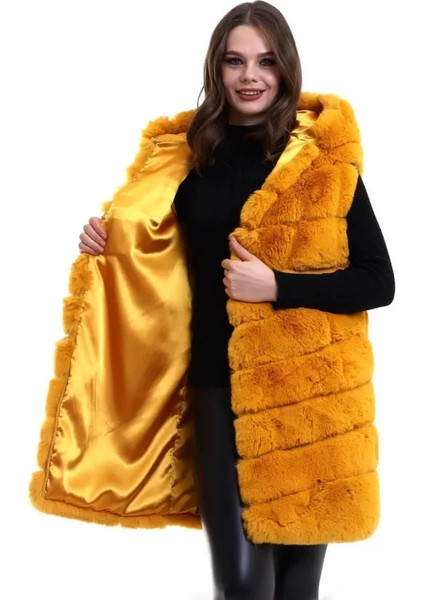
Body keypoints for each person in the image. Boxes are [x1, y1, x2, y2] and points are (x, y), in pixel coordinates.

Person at [30, 2, 395, 599]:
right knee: (243, 586)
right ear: (216, 69)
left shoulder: (319, 160)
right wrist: (109, 242)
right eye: (235, 61)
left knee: (297, 589)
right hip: (215, 387)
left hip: (310, 402)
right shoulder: (185, 156)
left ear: (286, 69)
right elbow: (158, 255)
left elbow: (379, 281)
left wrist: (278, 287)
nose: (250, 76)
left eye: (266, 61)